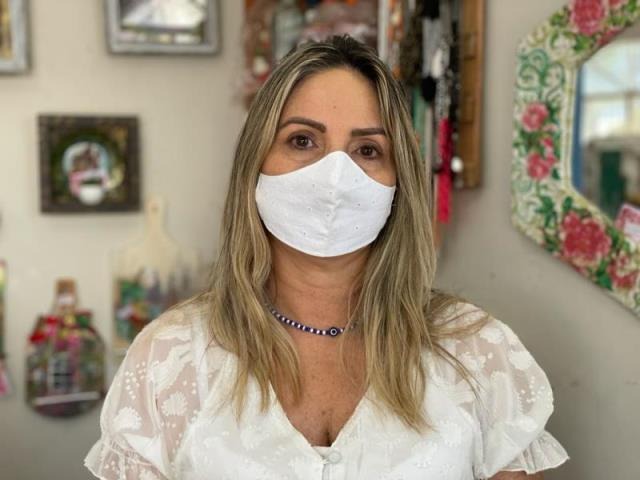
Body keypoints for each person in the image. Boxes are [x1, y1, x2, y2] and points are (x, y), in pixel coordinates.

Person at [85, 35, 569, 479]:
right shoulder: (170, 359)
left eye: (367, 149)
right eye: (302, 140)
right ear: (255, 164)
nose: (336, 174)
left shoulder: (477, 352)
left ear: (397, 183)